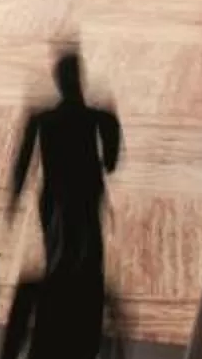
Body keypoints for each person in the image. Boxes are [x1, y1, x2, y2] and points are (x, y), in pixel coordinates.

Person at [8, 47, 124, 282]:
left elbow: (24, 158)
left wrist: (15, 195)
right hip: (87, 188)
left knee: (55, 246)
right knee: (91, 243)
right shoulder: (96, 116)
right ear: (80, 78)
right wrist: (107, 163)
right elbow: (112, 151)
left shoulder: (43, 118)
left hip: (55, 191)